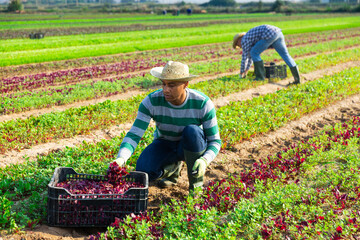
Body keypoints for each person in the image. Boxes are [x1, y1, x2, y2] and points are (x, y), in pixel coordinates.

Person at [110, 61, 221, 192]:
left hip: (190, 145)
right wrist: (121, 158)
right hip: (164, 144)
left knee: (193, 131)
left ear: (185, 84)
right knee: (143, 170)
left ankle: (195, 186)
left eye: (172, 85)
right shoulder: (151, 101)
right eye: (164, 84)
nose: (165, 89)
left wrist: (204, 160)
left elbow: (215, 141)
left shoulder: (202, 103)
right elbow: (134, 134)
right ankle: (172, 169)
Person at [232, 24, 300, 85]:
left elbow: (245, 58)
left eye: (237, 44)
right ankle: (297, 79)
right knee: (285, 55)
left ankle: (260, 77)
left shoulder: (244, 40)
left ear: (239, 40)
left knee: (254, 52)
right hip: (278, 33)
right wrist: (246, 70)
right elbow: (250, 57)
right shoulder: (249, 37)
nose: (240, 47)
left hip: (269, 34)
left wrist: (241, 72)